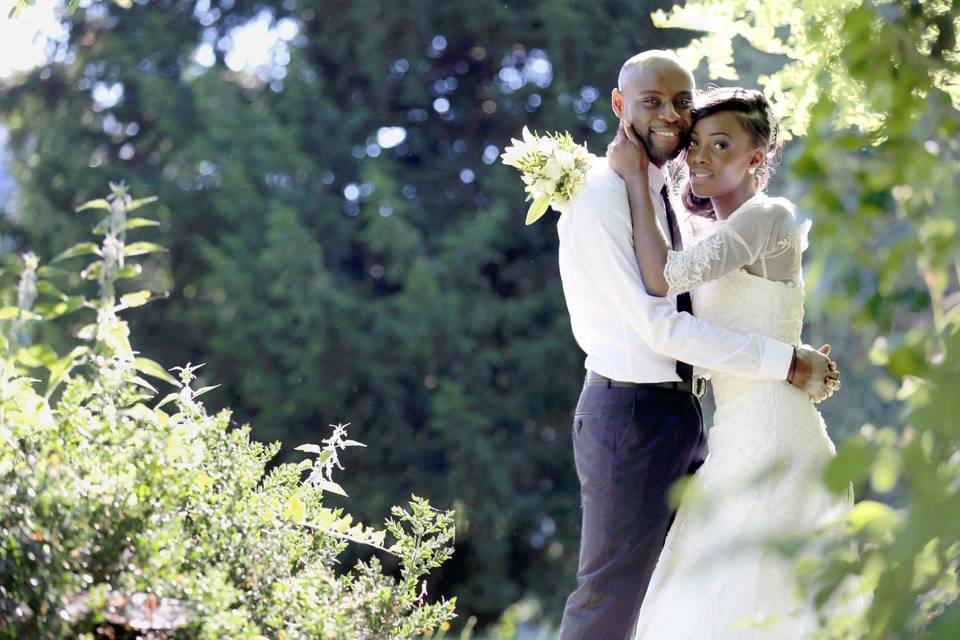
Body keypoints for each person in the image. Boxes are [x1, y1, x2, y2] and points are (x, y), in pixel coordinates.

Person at [556, 51, 840, 640]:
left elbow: (721, 301)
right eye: (653, 102)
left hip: (720, 424)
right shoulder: (609, 196)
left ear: (756, 157)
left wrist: (789, 354)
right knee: (622, 597)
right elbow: (660, 321)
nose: (678, 125)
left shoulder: (743, 218)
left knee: (715, 594)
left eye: (683, 105)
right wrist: (786, 359)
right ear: (619, 105)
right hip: (638, 415)